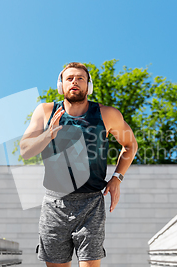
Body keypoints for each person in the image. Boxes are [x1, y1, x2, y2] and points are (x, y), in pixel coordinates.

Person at [20, 62, 138, 267]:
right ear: (61, 85)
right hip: (55, 205)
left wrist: (117, 178)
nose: (75, 81)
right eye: (69, 78)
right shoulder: (45, 112)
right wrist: (49, 134)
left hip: (91, 204)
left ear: (88, 86)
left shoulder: (107, 114)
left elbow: (130, 145)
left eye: (80, 78)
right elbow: (25, 151)